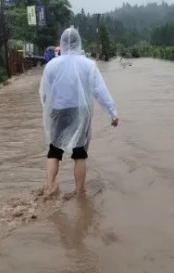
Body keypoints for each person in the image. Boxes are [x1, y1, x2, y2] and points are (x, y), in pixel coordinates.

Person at [39, 27, 119, 197]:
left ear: (61, 43)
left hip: (58, 111)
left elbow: (45, 93)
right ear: (78, 42)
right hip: (80, 112)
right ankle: (80, 192)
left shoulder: (51, 65)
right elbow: (99, 90)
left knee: (54, 151)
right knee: (79, 153)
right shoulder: (88, 65)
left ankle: (49, 187)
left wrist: (49, 108)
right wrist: (112, 112)